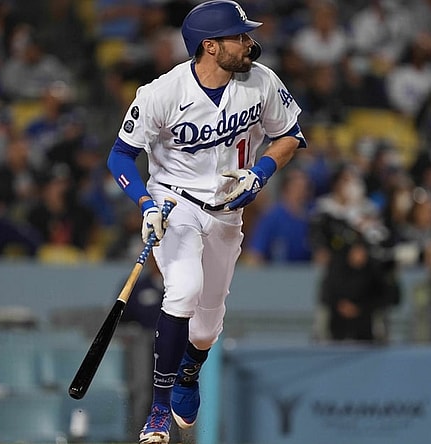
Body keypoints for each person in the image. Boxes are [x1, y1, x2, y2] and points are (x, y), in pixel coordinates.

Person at [105, 2, 306, 442]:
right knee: (184, 289)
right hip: (175, 203)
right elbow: (120, 155)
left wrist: (261, 173)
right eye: (239, 36)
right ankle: (157, 410)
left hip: (229, 208)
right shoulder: (161, 93)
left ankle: (189, 374)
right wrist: (144, 203)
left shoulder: (261, 81)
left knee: (209, 321)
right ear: (209, 46)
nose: (249, 42)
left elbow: (290, 135)